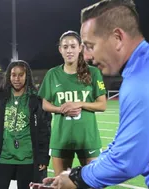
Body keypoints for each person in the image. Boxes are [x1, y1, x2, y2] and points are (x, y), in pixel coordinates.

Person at [39, 0, 149, 188]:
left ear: (117, 37)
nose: (86, 56)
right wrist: (75, 173)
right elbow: (120, 147)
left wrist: (77, 178)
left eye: (90, 45)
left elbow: (125, 162)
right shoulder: (147, 68)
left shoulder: (142, 80)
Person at [38, 31, 107, 177]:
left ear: (80, 48)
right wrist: (61, 109)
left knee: (93, 184)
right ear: (60, 50)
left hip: (88, 138)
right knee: (61, 184)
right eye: (65, 47)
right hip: (61, 138)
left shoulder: (93, 73)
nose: (69, 50)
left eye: (73, 46)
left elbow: (102, 105)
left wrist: (79, 104)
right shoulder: (52, 74)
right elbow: (45, 104)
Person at [0, 60, 51, 189]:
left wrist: (43, 156)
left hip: (28, 158)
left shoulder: (36, 99)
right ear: (9, 76)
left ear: (27, 76)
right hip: (3, 157)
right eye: (13, 75)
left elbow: (44, 130)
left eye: (21, 75)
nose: (17, 79)